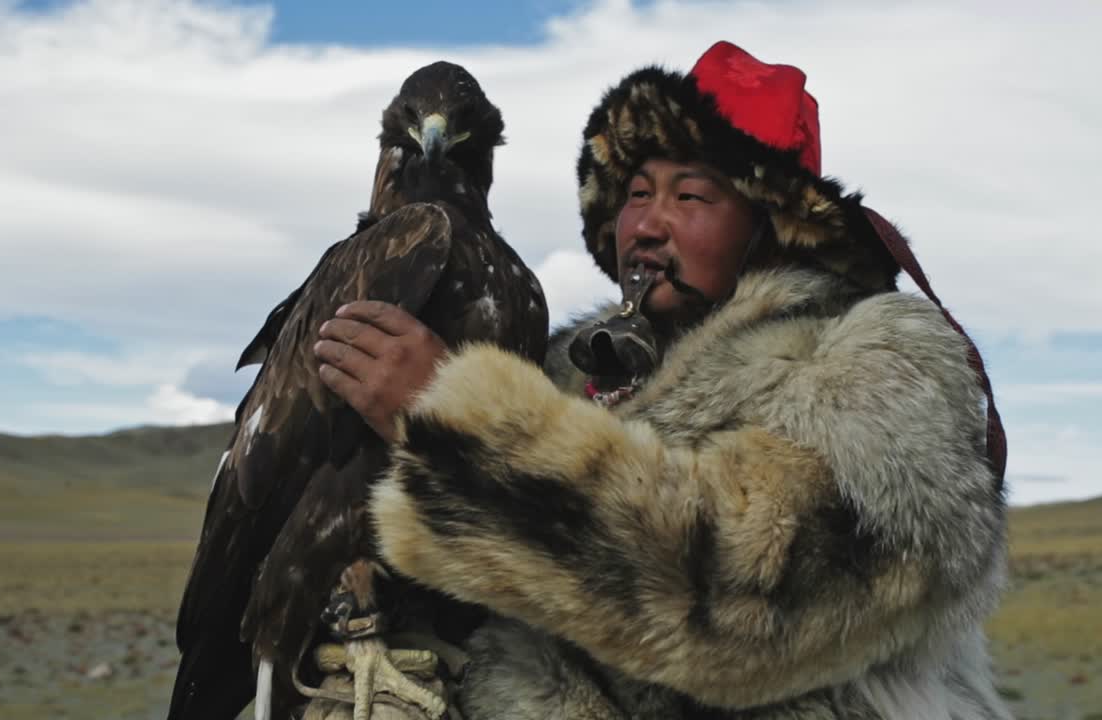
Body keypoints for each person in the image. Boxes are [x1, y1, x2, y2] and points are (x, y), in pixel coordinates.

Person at [314, 40, 1012, 720]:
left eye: (693, 197)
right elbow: (523, 598)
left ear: (769, 227)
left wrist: (451, 422)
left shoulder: (875, 364)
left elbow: (743, 599)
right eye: (638, 192)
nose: (647, 223)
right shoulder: (566, 372)